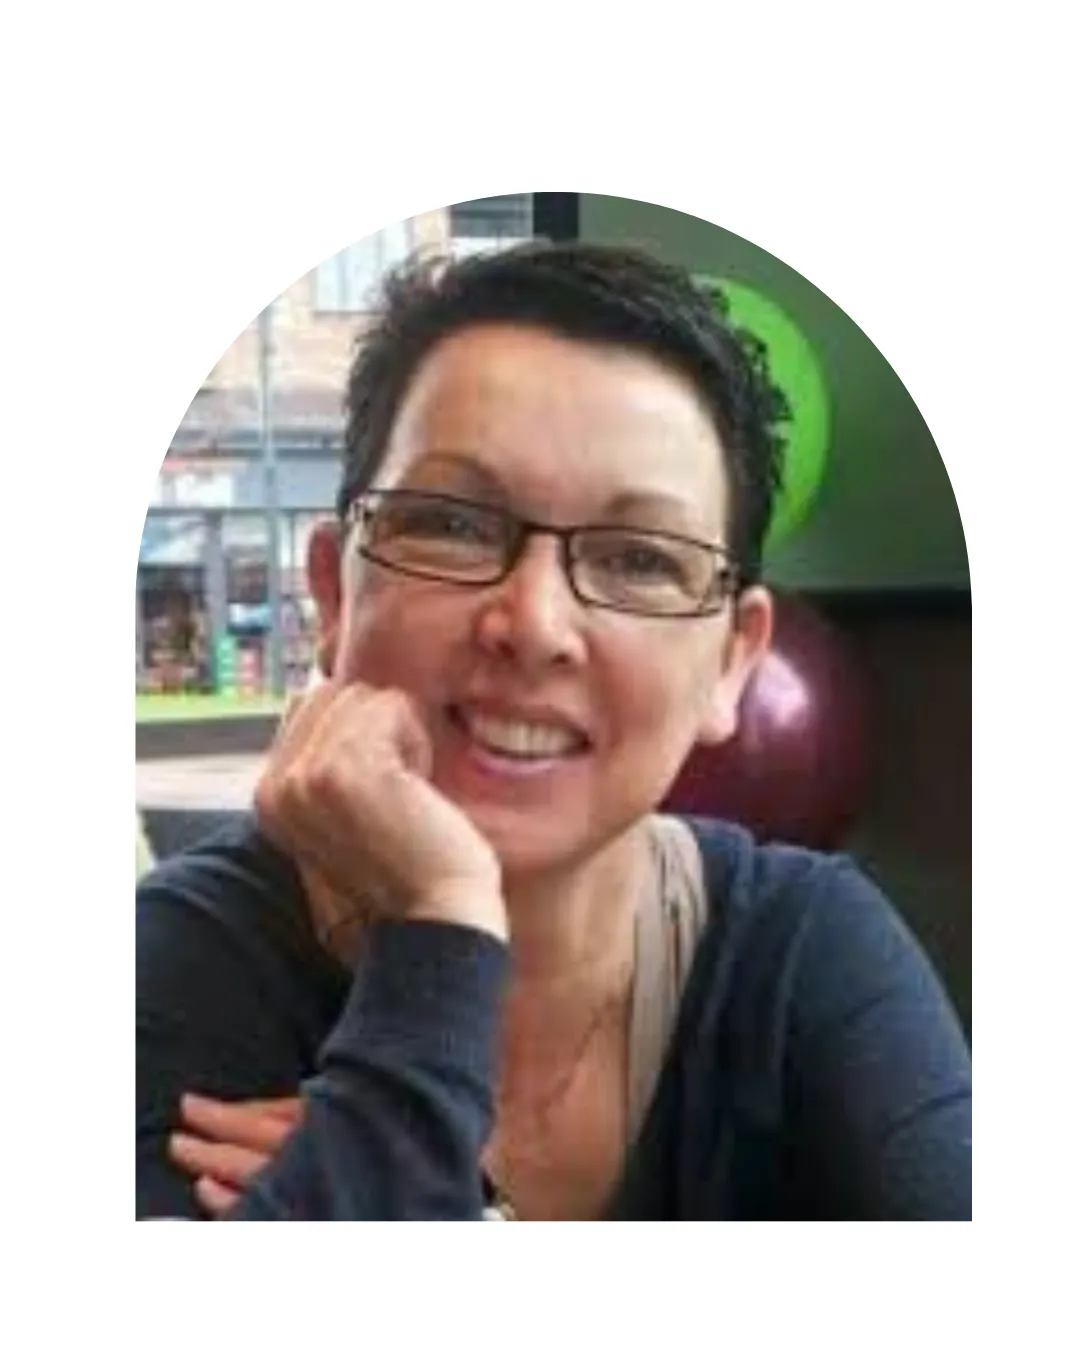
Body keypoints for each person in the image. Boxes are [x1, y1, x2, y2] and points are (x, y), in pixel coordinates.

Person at [136, 241, 972, 1221]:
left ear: (731, 662)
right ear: (333, 593)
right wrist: (442, 923)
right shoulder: (177, 964)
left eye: (641, 559)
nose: (534, 625)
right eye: (451, 524)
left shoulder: (803, 948)